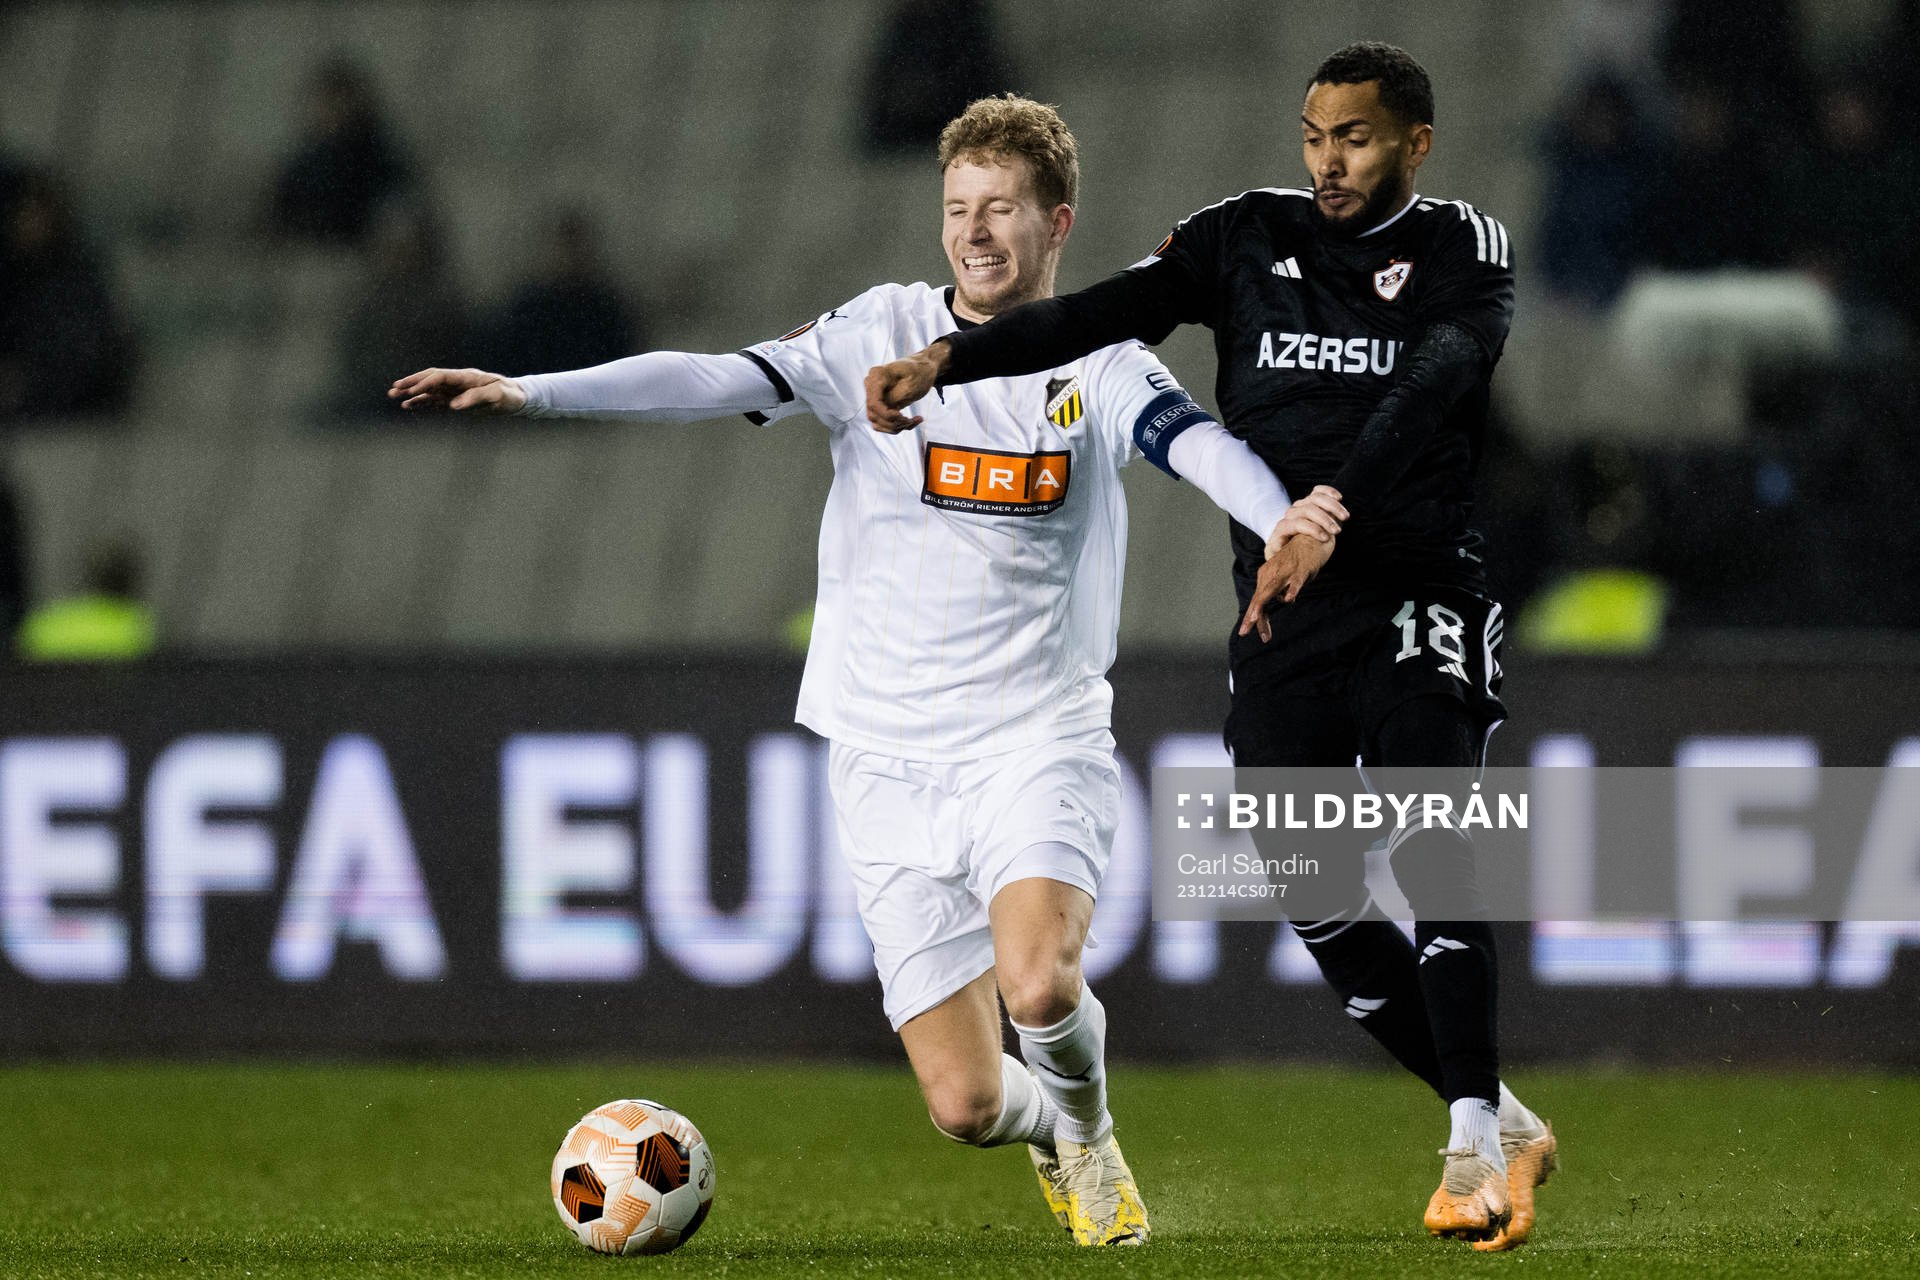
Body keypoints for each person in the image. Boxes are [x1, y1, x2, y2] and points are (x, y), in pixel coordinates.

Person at [389, 95, 1344, 1247]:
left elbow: (1194, 445)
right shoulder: (876, 333)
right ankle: (1047, 1123)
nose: (976, 232)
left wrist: (1284, 513)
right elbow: (713, 378)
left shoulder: (1097, 357)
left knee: (1039, 988)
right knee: (967, 1102)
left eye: (1002, 209)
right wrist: (535, 389)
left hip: (1033, 739)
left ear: (1058, 222)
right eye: (957, 209)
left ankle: (1090, 1131)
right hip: (884, 758)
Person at [867, 45, 1555, 1249]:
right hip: (1285, 608)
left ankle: (1470, 1147)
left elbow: (1434, 384)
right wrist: (952, 356)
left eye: (1353, 137)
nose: (1328, 160)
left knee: (1437, 843)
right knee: (1314, 891)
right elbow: (1095, 315)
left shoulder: (1465, 248)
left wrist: (1328, 506)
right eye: (1312, 135)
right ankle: (1509, 1117)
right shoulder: (1240, 236)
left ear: (1416, 144)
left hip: (1413, 586)